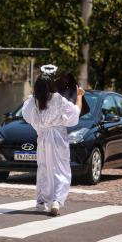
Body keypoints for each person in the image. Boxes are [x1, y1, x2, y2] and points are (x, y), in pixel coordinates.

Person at [22, 64, 84, 216]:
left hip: (43, 138)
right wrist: (80, 95)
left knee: (43, 168)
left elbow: (27, 115)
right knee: (61, 169)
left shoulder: (33, 100)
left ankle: (41, 201)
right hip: (58, 138)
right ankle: (56, 200)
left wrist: (41, 126)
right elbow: (75, 113)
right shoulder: (58, 99)